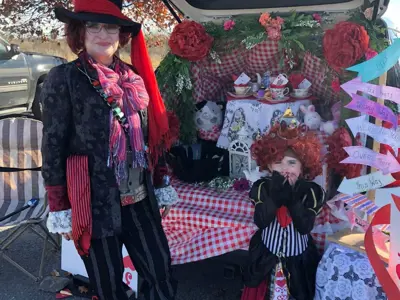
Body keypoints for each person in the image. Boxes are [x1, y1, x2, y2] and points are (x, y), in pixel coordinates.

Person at [41, 1, 178, 299]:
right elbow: (53, 146)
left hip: (139, 198)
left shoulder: (134, 77)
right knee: (109, 287)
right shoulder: (63, 79)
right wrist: (60, 206)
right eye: (94, 25)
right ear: (80, 32)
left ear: (121, 34)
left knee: (161, 274)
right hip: (93, 205)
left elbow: (149, 137)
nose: (103, 34)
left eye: (111, 26)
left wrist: (161, 181)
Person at [241, 108, 326, 300]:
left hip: (298, 260)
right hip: (266, 257)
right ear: (269, 165)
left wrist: (293, 199)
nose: (285, 168)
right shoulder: (262, 187)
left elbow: (304, 227)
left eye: (291, 163)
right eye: (278, 162)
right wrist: (276, 196)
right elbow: (261, 221)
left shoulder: (311, 191)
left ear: (303, 165)